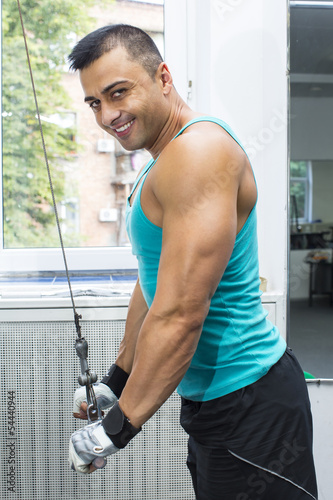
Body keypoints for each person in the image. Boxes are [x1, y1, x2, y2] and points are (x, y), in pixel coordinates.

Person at [67, 24, 318, 500]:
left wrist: (115, 429)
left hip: (251, 401)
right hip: (215, 402)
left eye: (119, 93)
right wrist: (115, 382)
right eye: (95, 102)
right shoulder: (162, 160)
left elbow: (182, 313)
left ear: (163, 77)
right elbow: (155, 281)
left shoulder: (198, 153)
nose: (108, 115)